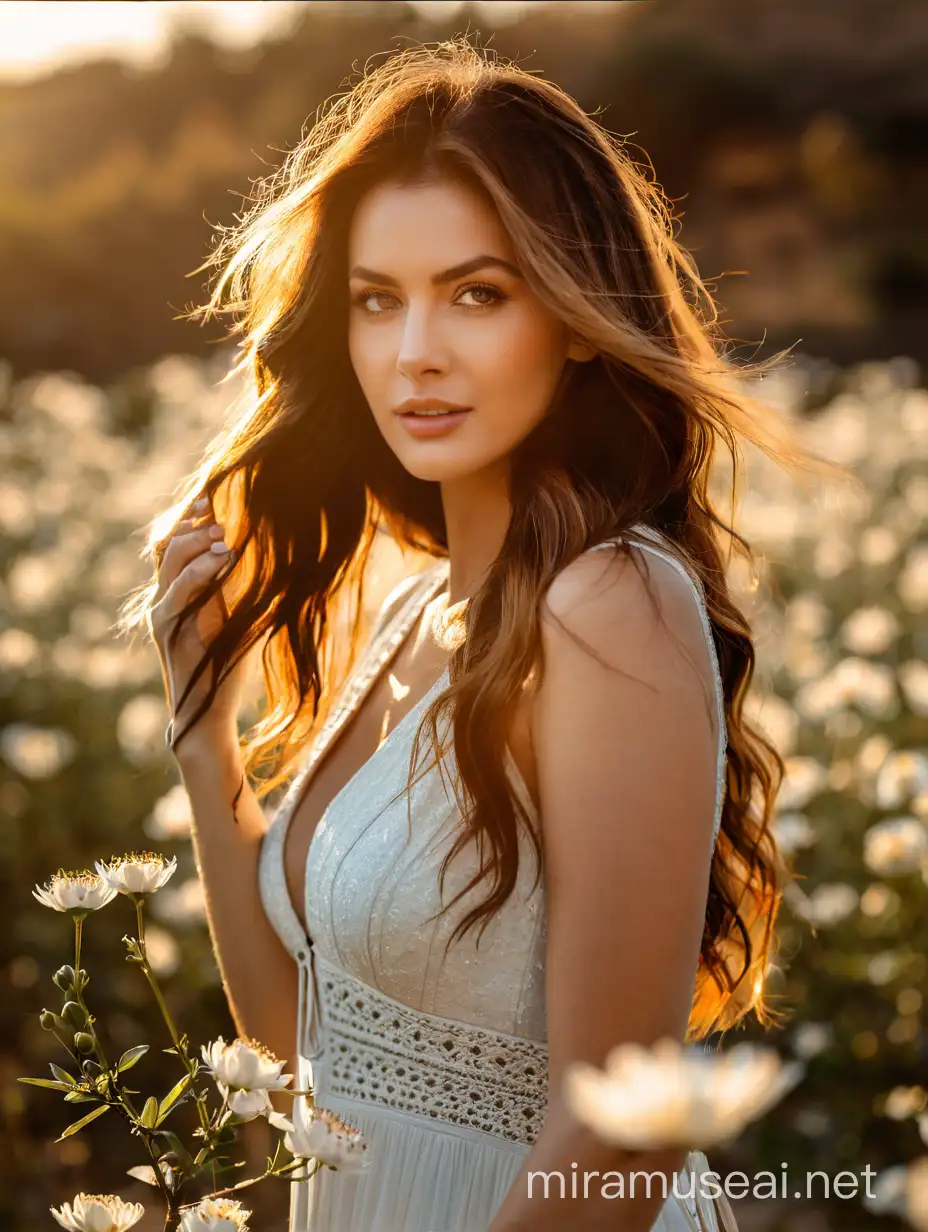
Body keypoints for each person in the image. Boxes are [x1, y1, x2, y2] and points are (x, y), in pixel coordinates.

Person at [120, 38, 837, 1232]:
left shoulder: (610, 601)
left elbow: (617, 1131)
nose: (415, 353)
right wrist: (206, 741)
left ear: (573, 318)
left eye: (476, 293)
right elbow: (301, 1050)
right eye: (374, 300)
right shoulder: (411, 616)